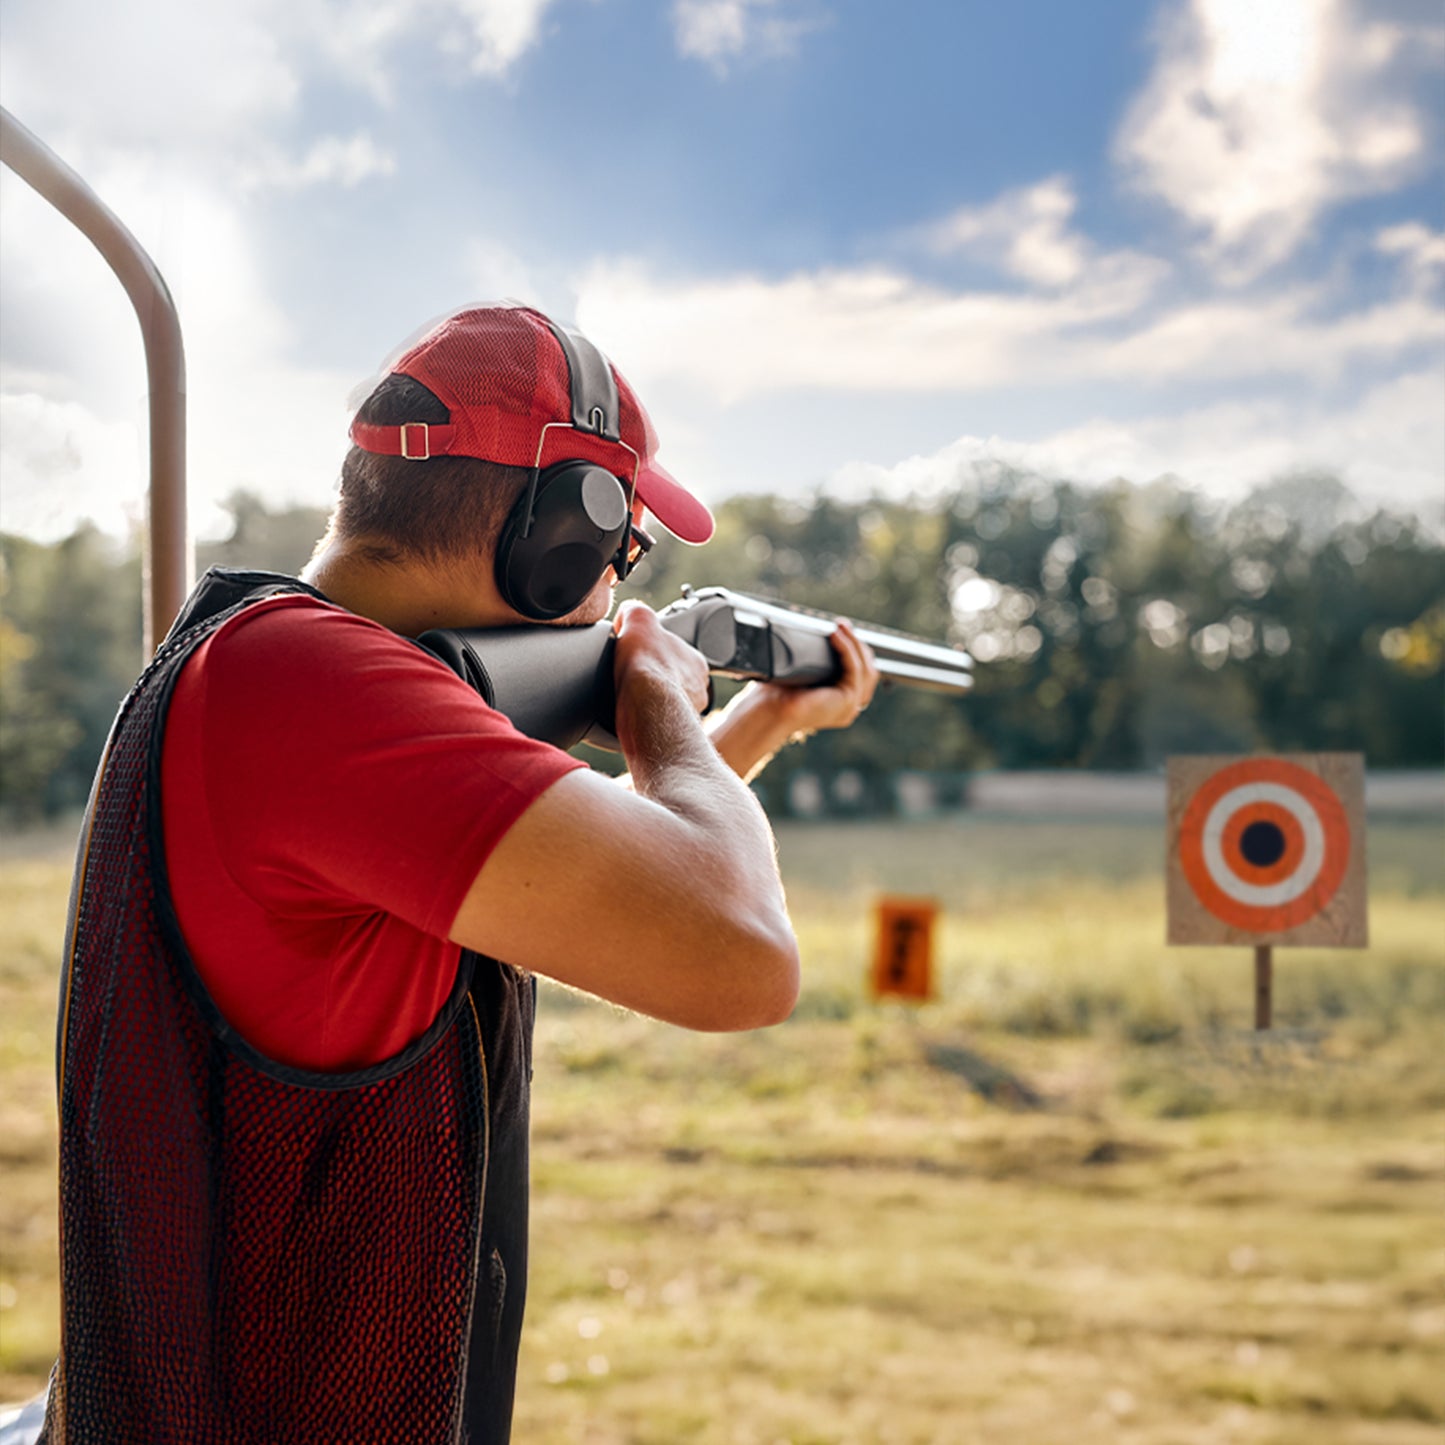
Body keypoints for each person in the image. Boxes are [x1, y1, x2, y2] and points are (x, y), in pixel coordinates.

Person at [42, 303, 878, 1444]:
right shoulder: (312, 683)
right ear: (561, 534)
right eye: (623, 548)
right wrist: (649, 701)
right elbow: (739, 957)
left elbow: (599, 883)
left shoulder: (287, 675)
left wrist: (753, 724)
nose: (615, 584)